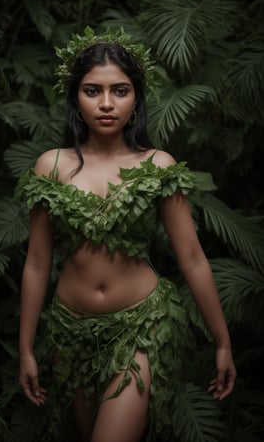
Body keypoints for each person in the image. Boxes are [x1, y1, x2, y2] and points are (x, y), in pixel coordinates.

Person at [16, 27, 236, 442]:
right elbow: (37, 261)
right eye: (92, 91)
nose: (105, 103)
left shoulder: (157, 164)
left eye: (119, 91)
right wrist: (27, 349)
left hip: (141, 325)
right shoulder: (51, 165)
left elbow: (191, 258)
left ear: (136, 100)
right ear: (75, 99)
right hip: (69, 330)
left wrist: (222, 341)